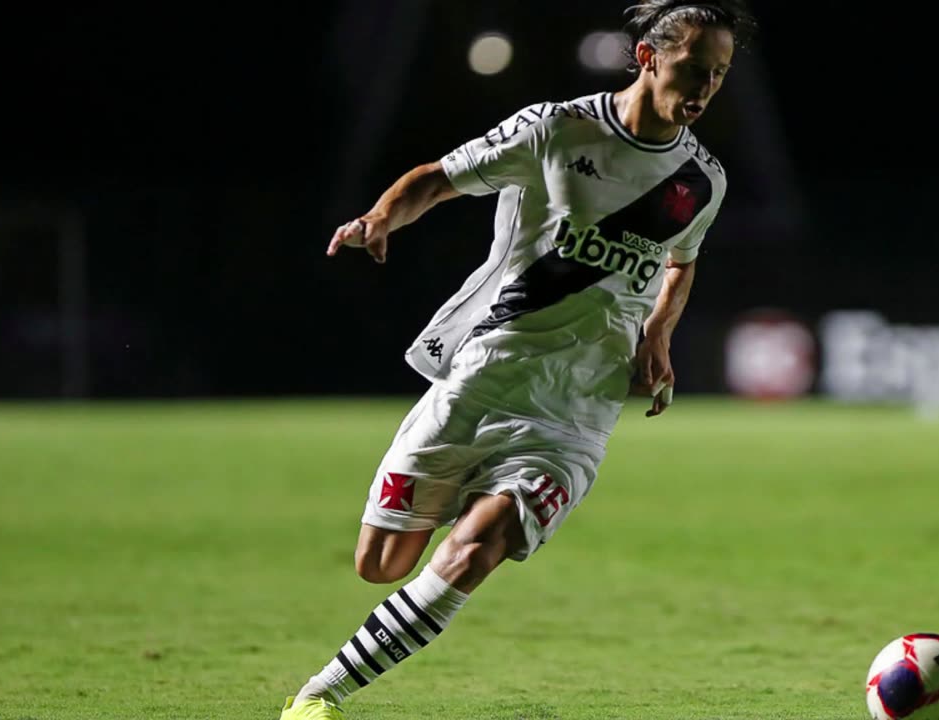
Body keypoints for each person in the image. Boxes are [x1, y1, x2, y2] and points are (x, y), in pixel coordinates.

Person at [277, 2, 756, 717]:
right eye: (693, 68)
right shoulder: (557, 129)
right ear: (648, 57)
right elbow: (437, 177)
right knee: (382, 564)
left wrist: (657, 333)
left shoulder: (702, 182)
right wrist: (380, 216)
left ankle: (320, 696)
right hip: (486, 373)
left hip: (578, 409)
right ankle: (471, 497)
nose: (704, 88)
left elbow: (679, 263)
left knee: (478, 549)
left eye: (717, 76)